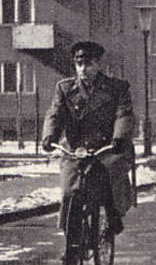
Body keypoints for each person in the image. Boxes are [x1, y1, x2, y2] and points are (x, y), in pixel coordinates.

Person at [41, 40, 135, 241]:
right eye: (79, 64)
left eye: (89, 64)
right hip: (76, 149)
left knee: (111, 183)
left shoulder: (116, 88)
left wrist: (119, 138)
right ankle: (71, 243)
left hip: (107, 148)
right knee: (68, 192)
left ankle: (113, 217)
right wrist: (49, 136)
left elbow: (123, 115)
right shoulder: (65, 88)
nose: (83, 69)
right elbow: (55, 114)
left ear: (98, 64)